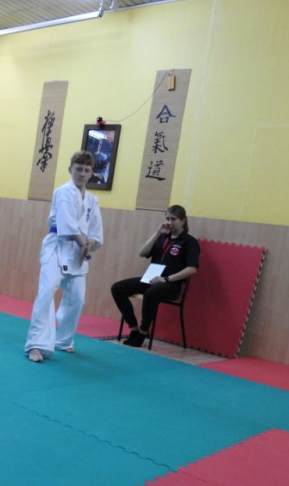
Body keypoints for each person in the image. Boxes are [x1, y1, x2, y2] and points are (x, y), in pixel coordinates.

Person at [25, 150, 104, 363]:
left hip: (79, 251)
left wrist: (89, 244)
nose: (82, 174)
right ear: (70, 170)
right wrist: (83, 243)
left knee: (77, 299)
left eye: (86, 170)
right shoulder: (63, 192)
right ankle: (36, 344)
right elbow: (66, 224)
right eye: (78, 169)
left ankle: (63, 340)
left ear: (91, 173)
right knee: (47, 292)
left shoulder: (92, 200)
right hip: (57, 247)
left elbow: (96, 231)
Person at [111, 205, 200, 347]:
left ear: (183, 221)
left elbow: (192, 269)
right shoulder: (162, 238)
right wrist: (157, 233)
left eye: (173, 219)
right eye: (167, 219)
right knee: (117, 288)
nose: (169, 222)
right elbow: (142, 252)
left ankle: (144, 331)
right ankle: (134, 328)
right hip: (151, 279)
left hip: (171, 284)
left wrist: (165, 279)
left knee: (151, 293)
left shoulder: (189, 242)